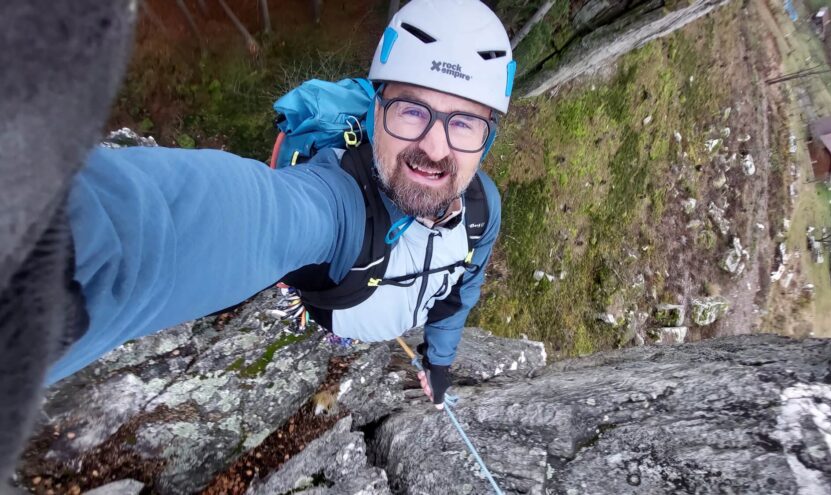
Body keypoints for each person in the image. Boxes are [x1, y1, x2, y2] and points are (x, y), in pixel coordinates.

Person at [47, 0, 516, 416]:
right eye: (411, 110)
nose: (434, 147)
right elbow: (246, 217)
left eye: (464, 123)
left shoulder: (484, 207)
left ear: (487, 141)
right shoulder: (338, 206)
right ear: (377, 112)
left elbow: (463, 289)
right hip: (333, 313)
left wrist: (438, 361)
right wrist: (49, 251)